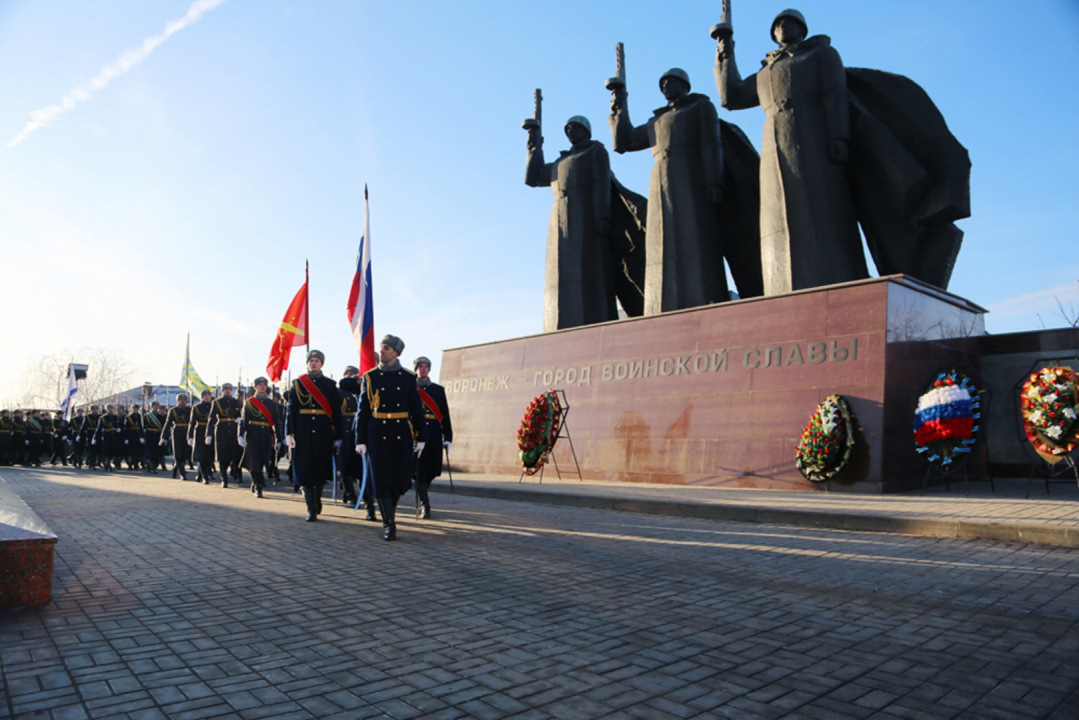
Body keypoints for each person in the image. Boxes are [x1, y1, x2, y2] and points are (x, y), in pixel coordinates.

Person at [714, 9, 867, 295]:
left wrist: (839, 136)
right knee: (777, 216)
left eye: (790, 22)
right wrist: (725, 51)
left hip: (813, 135)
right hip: (773, 144)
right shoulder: (767, 69)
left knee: (820, 207)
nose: (784, 27)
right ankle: (780, 286)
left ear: (802, 28)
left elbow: (835, 94)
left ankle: (834, 279)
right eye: (778, 24)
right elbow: (731, 96)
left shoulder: (821, 54)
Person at [609, 68, 728, 314]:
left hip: (691, 177)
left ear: (685, 85)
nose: (667, 87)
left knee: (694, 236)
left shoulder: (700, 107)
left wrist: (714, 182)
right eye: (663, 84)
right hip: (661, 181)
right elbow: (626, 141)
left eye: (672, 82)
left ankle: (703, 295)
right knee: (662, 240)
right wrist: (620, 101)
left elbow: (711, 144)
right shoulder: (657, 120)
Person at [525, 115, 617, 331]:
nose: (571, 132)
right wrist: (534, 147)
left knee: (587, 269)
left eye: (575, 128)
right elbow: (533, 178)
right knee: (562, 274)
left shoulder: (595, 151)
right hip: (559, 217)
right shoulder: (561, 161)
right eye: (568, 129)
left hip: (585, 215)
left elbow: (601, 184)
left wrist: (602, 216)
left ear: (587, 131)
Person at [342, 335, 426, 541]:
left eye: (386, 348)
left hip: (400, 433)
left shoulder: (407, 377)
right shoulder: (370, 377)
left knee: (399, 479)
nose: (382, 351)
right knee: (380, 479)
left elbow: (417, 409)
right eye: (382, 348)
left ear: (396, 353)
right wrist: (360, 439)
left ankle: (391, 512)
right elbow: (363, 411)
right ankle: (389, 523)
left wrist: (422, 436)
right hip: (376, 434)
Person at [285, 350, 343, 521]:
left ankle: (317, 499)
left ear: (322, 364)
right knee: (304, 469)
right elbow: (291, 410)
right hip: (303, 431)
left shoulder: (330, 384)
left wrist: (338, 435)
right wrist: (289, 432)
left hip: (323, 431)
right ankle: (311, 507)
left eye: (317, 360)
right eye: (311, 360)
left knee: (319, 469)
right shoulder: (298, 383)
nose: (314, 363)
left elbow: (336, 412)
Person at [412, 356, 453, 520]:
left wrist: (448, 436)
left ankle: (423, 494)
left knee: (432, 471)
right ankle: (425, 505)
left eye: (426, 366)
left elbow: (445, 414)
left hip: (434, 435)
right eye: (420, 366)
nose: (423, 369)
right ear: (416, 369)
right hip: (417, 434)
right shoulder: (411, 388)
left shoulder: (438, 390)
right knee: (419, 471)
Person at [239, 377, 283, 498]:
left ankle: (256, 481)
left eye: (264, 385)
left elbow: (276, 422)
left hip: (266, 435)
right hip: (253, 435)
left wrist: (280, 439)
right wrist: (240, 435)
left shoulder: (272, 404)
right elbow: (244, 421)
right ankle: (258, 486)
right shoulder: (249, 402)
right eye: (260, 385)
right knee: (254, 461)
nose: (262, 387)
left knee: (264, 460)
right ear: (255, 387)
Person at [336, 366, 363, 510]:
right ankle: (350, 493)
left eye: (353, 375)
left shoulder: (361, 390)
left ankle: (352, 491)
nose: (350, 377)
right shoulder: (339, 392)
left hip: (358, 430)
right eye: (348, 375)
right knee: (344, 465)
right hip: (344, 431)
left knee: (356, 465)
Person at [208, 383, 243, 487]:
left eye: (229, 389)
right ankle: (224, 479)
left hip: (233, 429)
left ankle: (234, 474)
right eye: (226, 389)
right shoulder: (217, 402)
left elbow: (241, 413)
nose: (228, 391)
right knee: (222, 456)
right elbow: (211, 419)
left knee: (233, 454)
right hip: (221, 429)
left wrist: (239, 419)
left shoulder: (235, 402)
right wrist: (208, 434)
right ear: (222, 390)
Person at [161, 394, 192, 480]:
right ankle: (182, 474)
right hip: (177, 432)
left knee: (185, 454)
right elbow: (168, 423)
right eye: (181, 399)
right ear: (178, 400)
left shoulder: (189, 409)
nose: (183, 401)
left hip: (187, 432)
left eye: (184, 399)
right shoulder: (173, 410)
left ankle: (175, 471)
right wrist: (163, 437)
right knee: (178, 454)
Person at [190, 390, 216, 484]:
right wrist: (190, 436)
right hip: (200, 432)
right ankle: (204, 477)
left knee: (209, 456)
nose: (207, 397)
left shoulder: (214, 406)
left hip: (211, 431)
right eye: (205, 395)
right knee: (201, 456)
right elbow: (192, 422)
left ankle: (201, 475)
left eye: (208, 395)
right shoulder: (196, 407)